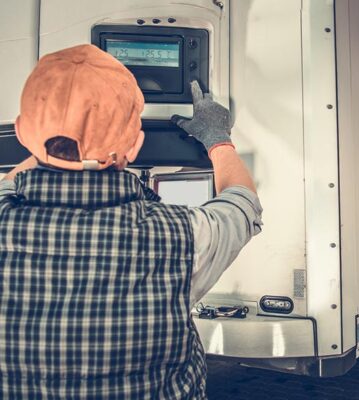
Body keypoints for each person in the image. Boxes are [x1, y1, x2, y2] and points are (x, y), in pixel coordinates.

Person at [0, 44, 262, 399]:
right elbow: (243, 202)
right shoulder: (183, 237)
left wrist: (50, 140)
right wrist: (218, 139)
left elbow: (8, 185)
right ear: (135, 145)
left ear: (21, 133)